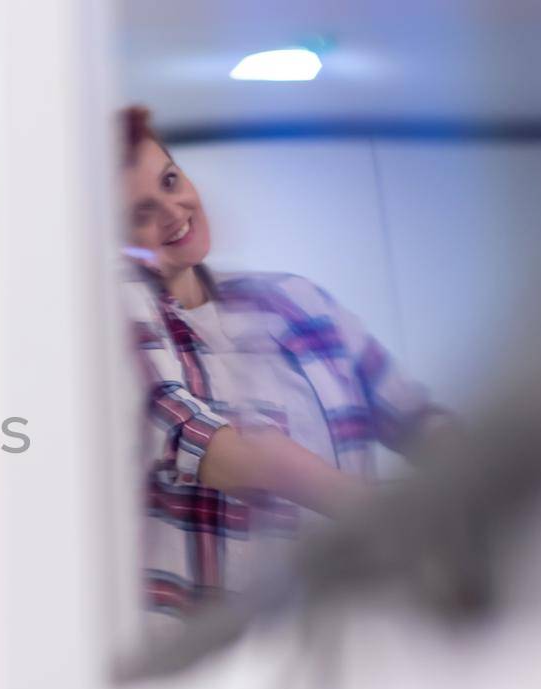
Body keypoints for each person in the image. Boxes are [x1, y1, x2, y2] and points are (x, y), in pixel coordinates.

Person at [120, 105, 449, 620]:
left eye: (170, 179)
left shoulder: (293, 298)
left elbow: (412, 415)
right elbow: (222, 449)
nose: (173, 211)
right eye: (140, 213)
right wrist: (382, 518)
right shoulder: (119, 319)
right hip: (214, 657)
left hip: (340, 622)